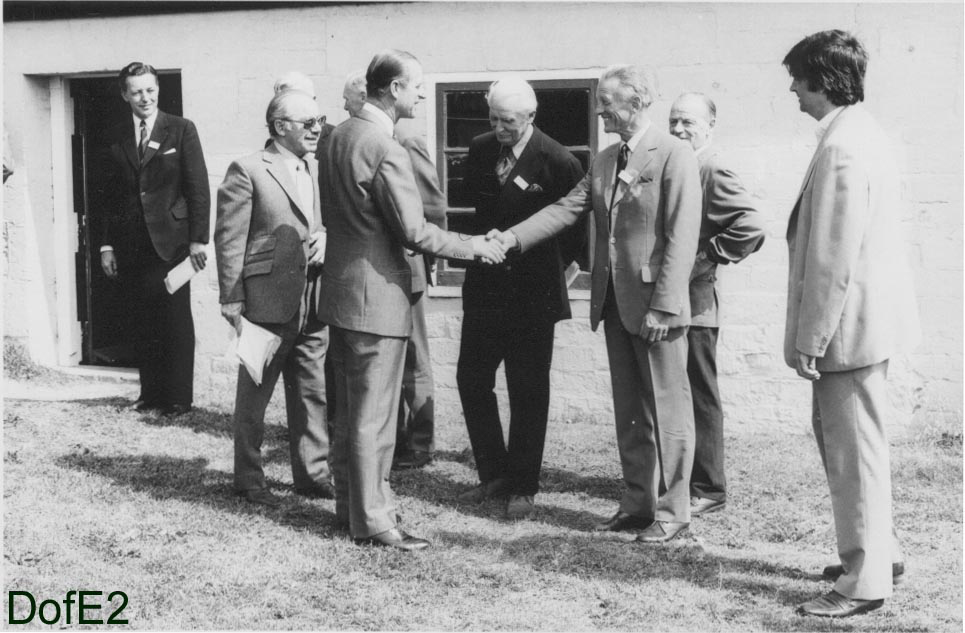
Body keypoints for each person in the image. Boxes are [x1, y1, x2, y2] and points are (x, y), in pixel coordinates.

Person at [489, 64, 701, 544]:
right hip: (613, 305)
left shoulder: (674, 155)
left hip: (655, 309)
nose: (599, 108)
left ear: (637, 100)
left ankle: (674, 511)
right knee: (630, 410)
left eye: (607, 100)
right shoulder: (606, 159)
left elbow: (682, 237)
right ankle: (637, 503)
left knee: (668, 410)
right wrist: (511, 238)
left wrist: (665, 306)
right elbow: (566, 208)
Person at [318, 49, 505, 551]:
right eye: (417, 86)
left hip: (342, 294)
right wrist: (475, 246)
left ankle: (350, 511)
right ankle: (376, 522)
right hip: (377, 299)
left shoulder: (338, 136)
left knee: (350, 415)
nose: (422, 94)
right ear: (394, 89)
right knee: (374, 418)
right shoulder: (384, 145)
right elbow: (416, 231)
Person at [782, 30, 918, 618]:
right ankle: (877, 553)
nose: (792, 89)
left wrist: (810, 338)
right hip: (867, 323)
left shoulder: (843, 146)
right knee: (858, 447)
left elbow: (831, 257)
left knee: (853, 452)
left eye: (798, 78)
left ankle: (864, 583)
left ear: (823, 79)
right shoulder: (863, 134)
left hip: (848, 328)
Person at [456, 76, 584, 519]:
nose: (499, 128)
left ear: (530, 116)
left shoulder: (558, 159)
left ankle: (523, 484)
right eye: (492, 118)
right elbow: (475, 212)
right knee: (472, 379)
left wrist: (550, 273)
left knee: (528, 389)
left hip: (533, 291)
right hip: (485, 286)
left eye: (507, 120)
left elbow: (575, 232)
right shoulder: (479, 148)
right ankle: (493, 475)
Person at [215, 89, 333, 508]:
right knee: (254, 397)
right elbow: (229, 238)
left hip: (311, 302)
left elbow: (317, 222)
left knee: (311, 393)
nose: (318, 129)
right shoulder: (247, 169)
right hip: (265, 302)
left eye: (320, 121)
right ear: (281, 127)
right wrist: (232, 300)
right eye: (309, 123)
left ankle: (314, 475)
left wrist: (324, 236)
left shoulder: (316, 170)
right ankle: (249, 479)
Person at [668, 93, 766, 517]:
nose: (678, 130)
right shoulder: (680, 163)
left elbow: (751, 226)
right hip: (673, 302)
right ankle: (683, 478)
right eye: (673, 122)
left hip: (698, 305)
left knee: (700, 392)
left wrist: (707, 256)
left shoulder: (712, 168)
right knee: (678, 392)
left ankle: (709, 486)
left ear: (710, 125)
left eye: (688, 122)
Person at [98, 61, 209, 416]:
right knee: (143, 318)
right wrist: (107, 245)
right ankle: (150, 395)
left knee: (174, 320)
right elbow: (108, 196)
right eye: (136, 92)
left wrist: (197, 240)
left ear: (158, 89)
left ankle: (177, 399)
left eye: (150, 90)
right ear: (124, 95)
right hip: (133, 244)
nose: (145, 98)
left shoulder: (180, 129)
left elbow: (198, 189)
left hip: (173, 245)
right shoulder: (116, 135)